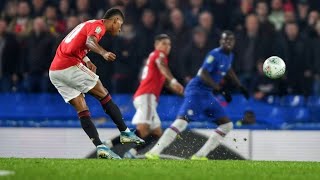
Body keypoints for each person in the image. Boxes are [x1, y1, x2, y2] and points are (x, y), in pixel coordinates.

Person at [49, 8, 144, 159]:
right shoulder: (98, 26)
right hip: (68, 66)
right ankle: (125, 132)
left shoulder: (86, 25)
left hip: (55, 72)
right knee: (103, 92)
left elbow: (72, 44)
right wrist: (103, 53)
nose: (120, 29)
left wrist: (86, 60)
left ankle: (101, 147)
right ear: (115, 20)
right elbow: (89, 41)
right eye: (120, 25)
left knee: (82, 108)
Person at [145, 31, 249, 160]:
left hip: (208, 95)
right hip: (196, 92)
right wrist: (220, 89)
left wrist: (239, 86)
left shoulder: (230, 56)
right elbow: (203, 73)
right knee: (182, 122)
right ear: (220, 42)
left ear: (233, 42)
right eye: (224, 40)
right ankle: (154, 151)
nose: (227, 43)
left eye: (230, 40)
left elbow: (228, 69)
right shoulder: (214, 54)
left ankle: (200, 156)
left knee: (227, 125)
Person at [107, 34, 184, 158]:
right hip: (146, 96)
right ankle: (114, 148)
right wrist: (174, 81)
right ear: (156, 45)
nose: (167, 46)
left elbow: (163, 80)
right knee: (143, 130)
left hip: (146, 97)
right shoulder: (159, 55)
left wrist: (174, 88)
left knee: (157, 132)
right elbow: (163, 67)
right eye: (164, 43)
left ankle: (126, 150)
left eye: (169, 44)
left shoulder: (154, 57)